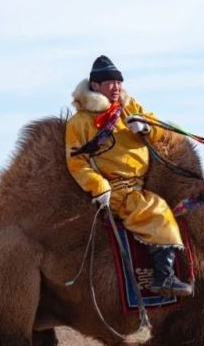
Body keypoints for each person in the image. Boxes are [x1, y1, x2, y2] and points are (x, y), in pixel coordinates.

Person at [65, 55, 193, 297]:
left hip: (141, 182)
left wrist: (147, 128)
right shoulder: (80, 123)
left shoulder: (129, 106)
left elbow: (155, 126)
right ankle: (163, 279)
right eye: (110, 83)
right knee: (158, 212)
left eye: (119, 82)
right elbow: (77, 161)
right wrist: (98, 186)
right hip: (117, 190)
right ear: (95, 86)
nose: (116, 88)